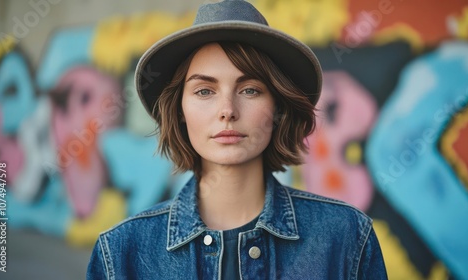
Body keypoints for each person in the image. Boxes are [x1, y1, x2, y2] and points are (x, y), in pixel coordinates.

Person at [87, 0, 387, 279]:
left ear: (278, 107)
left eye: (250, 90)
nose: (227, 111)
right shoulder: (120, 251)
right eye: (205, 91)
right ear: (179, 110)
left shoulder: (346, 237)